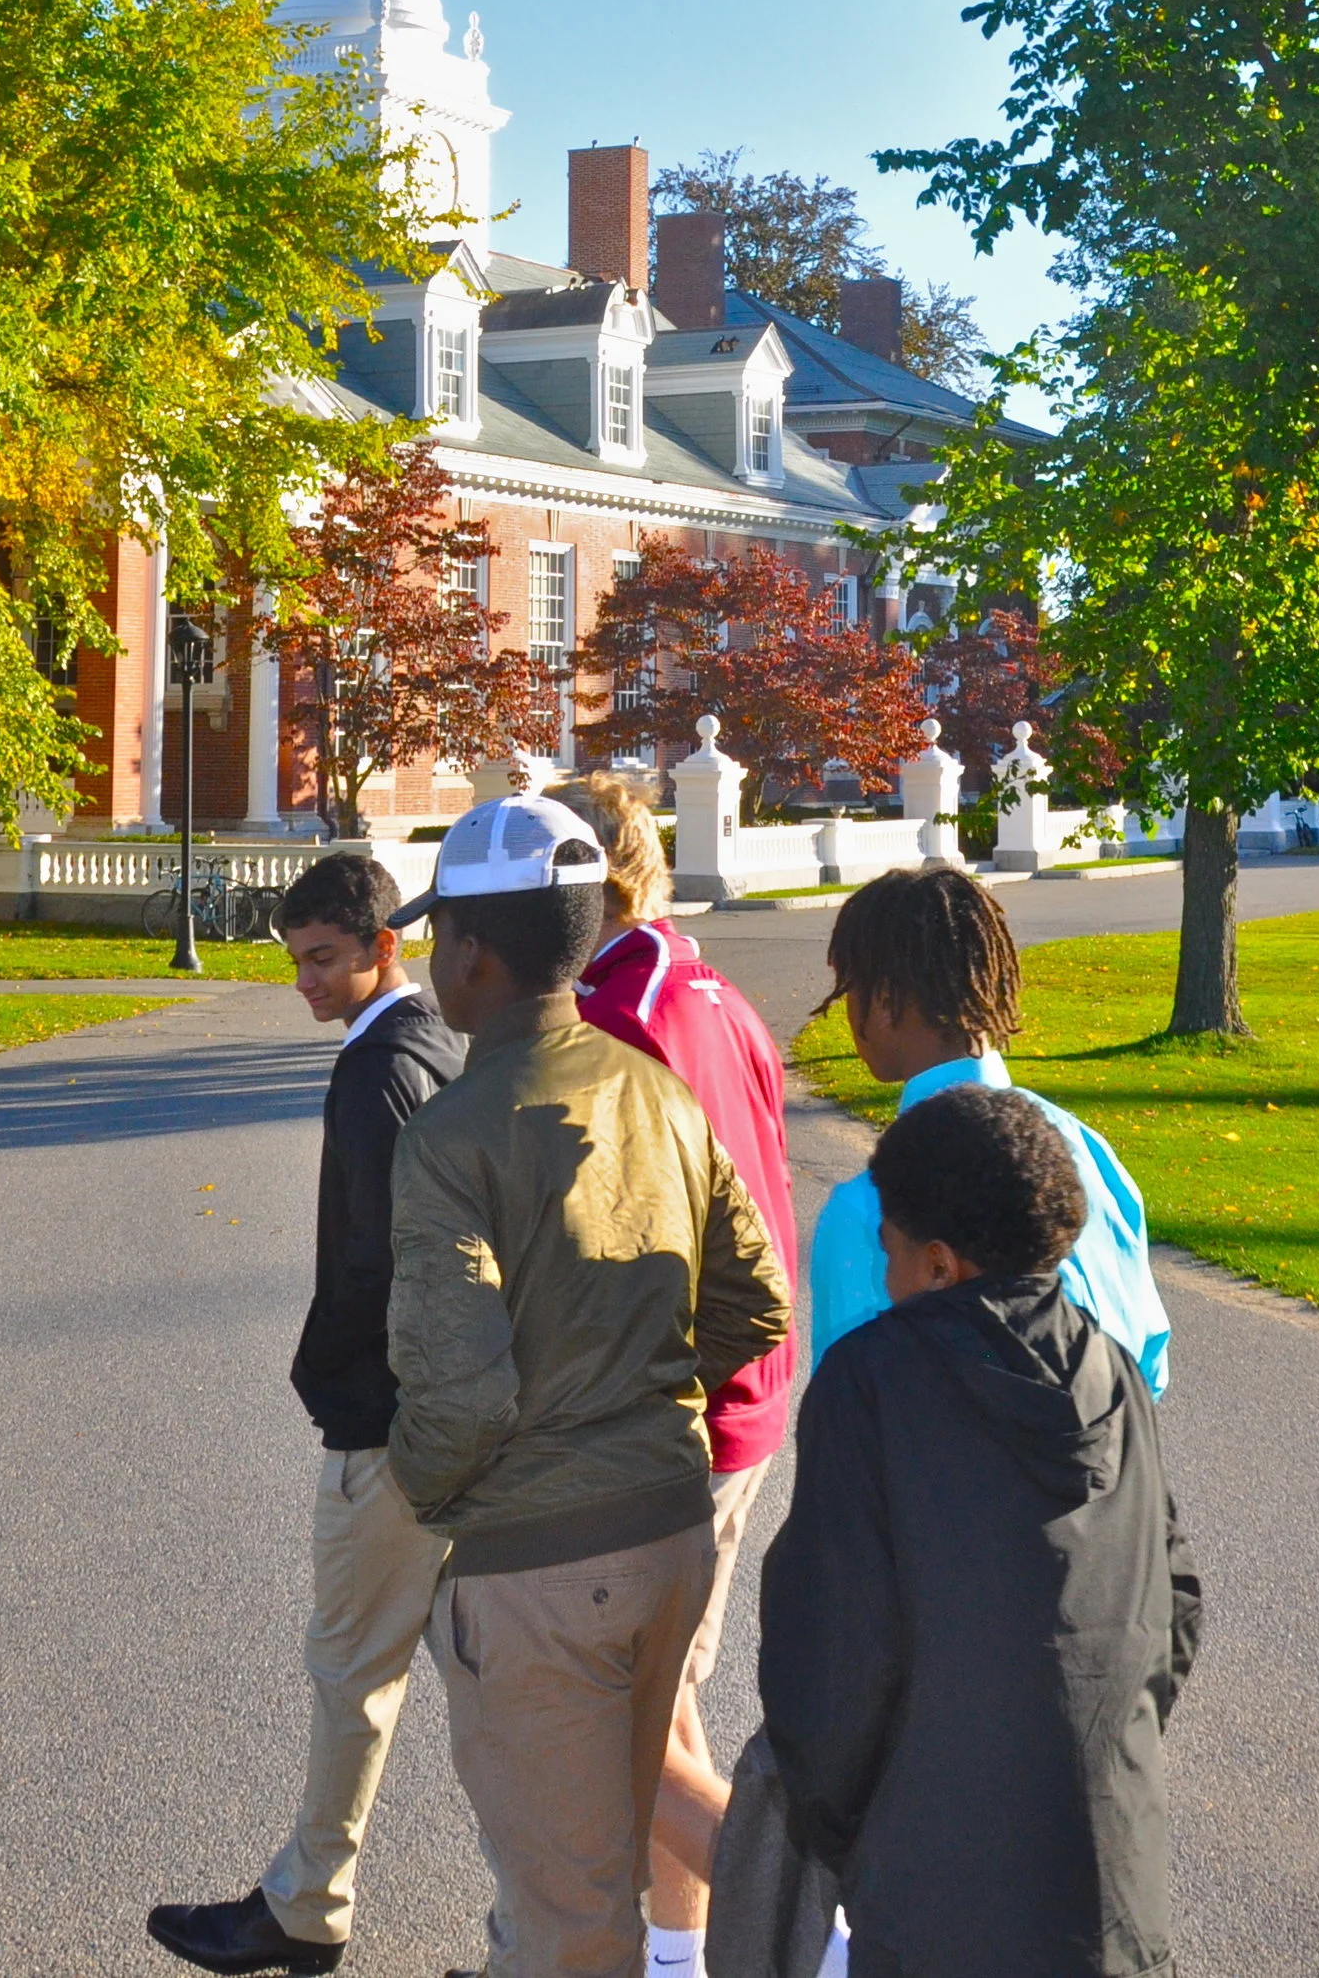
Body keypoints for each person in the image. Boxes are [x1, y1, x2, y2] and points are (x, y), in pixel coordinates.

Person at [383, 792, 792, 1978]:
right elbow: (755, 1298)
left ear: (472, 953)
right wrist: (640, 1394)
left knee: (567, 1919)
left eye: (438, 934)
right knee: (603, 1866)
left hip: (541, 1556)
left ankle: (800, 1926)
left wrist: (428, 1494)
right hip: (666, 1525)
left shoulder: (450, 1134)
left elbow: (459, 1398)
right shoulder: (655, 1086)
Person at [758, 1084, 1200, 1978]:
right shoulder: (1111, 1371)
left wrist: (836, 1823)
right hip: (1110, 1873)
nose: (884, 1276)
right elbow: (1174, 1601)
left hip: (931, 1888)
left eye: (889, 1251)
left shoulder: (871, 1382)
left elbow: (836, 1648)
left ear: (937, 1264)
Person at [148, 848, 465, 1978]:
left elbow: (386, 1261)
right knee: (488, 1682)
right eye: (295, 960)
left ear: (386, 944)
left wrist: (341, 1384)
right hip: (452, 1417)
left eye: (324, 957)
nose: (305, 981)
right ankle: (549, 1919)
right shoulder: (437, 1045)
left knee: (352, 1670)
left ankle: (308, 1906)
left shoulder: (379, 1069)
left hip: (392, 1427)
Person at [559, 771, 798, 1978]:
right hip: (736, 1386)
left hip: (675, 1402)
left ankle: (816, 1928)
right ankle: (670, 1953)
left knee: (611, 1708)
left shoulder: (621, 1008)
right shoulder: (710, 990)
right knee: (656, 1694)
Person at [808, 863, 1167, 1388]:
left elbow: (849, 1409)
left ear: (883, 1001)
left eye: (850, 990)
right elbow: (1150, 1360)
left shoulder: (872, 1213)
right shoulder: (1086, 1151)